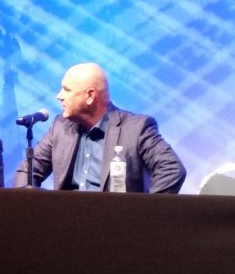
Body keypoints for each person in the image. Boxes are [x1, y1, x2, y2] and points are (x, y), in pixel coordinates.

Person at [13, 62, 186, 193]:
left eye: (66, 90)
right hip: (65, 225)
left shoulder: (136, 128)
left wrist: (143, 215)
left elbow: (171, 168)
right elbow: (27, 170)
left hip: (114, 228)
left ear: (90, 96)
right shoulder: (60, 127)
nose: (59, 96)